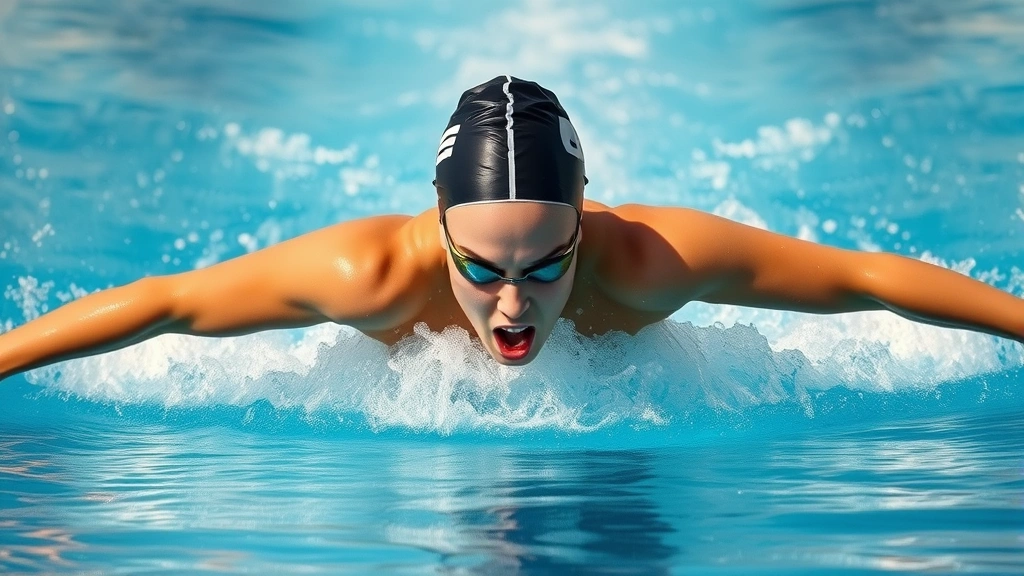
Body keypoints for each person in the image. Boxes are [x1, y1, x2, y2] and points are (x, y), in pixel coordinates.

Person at [0, 75, 1021, 380]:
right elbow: (163, 305)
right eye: (481, 265)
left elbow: (862, 280)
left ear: (585, 227)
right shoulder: (371, 275)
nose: (510, 299)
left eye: (545, 265)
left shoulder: (647, 263)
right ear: (435, 230)